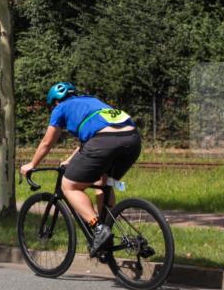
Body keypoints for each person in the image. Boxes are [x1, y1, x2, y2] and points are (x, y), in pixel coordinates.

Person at [19, 82, 142, 256]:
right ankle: (106, 235)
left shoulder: (60, 108)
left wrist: (32, 164)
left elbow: (47, 142)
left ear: (55, 101)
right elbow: (91, 138)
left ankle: (99, 228)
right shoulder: (92, 101)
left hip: (104, 142)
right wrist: (69, 160)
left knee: (69, 186)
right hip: (132, 139)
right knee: (103, 182)